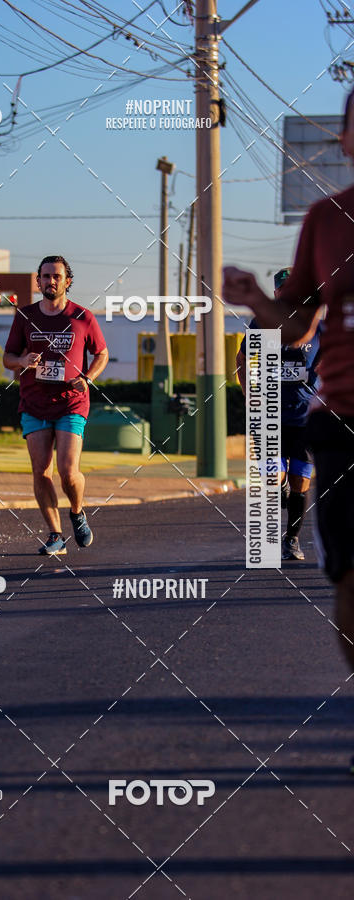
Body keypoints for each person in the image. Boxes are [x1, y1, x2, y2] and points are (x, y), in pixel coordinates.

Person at [223, 86, 354, 704]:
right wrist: (253, 298)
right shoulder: (325, 221)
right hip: (342, 419)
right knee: (348, 577)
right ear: (344, 140)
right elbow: (298, 323)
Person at [3, 255, 109, 555]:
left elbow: (101, 354)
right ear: (38, 281)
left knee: (67, 470)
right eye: (45, 276)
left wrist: (87, 378)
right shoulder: (24, 316)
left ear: (67, 281)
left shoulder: (82, 317)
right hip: (34, 402)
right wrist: (22, 360)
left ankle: (77, 511)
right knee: (41, 471)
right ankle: (54, 535)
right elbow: (8, 356)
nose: (51, 281)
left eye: (57, 276)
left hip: (71, 402)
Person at [235, 268, 322, 562]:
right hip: (269, 416)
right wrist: (250, 395)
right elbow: (243, 357)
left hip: (305, 418)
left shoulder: (318, 328)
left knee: (301, 482)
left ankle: (291, 539)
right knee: (274, 477)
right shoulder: (261, 323)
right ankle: (280, 488)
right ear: (276, 294)